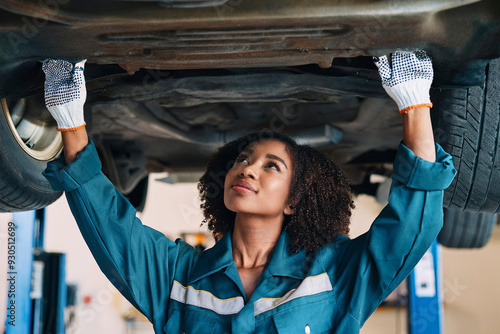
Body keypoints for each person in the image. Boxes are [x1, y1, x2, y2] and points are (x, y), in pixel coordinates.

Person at [42, 51, 456, 333]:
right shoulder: (179, 279)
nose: (247, 169)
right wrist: (68, 109)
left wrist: (413, 97)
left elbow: (410, 225)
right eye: (243, 158)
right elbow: (113, 230)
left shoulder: (332, 274)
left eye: (270, 166)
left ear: (295, 200)